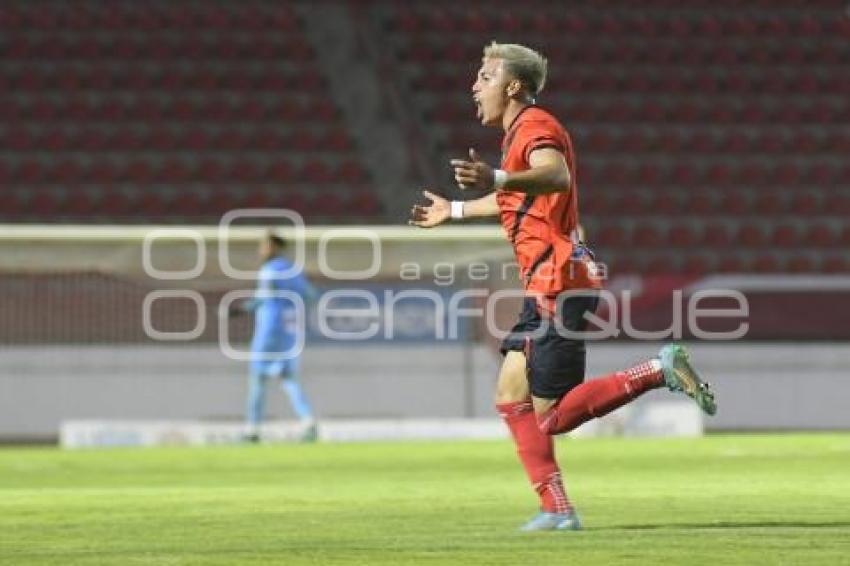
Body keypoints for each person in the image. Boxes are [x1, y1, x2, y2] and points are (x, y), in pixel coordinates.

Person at [410, 42, 716, 531]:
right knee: (511, 395)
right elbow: (515, 197)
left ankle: (658, 371)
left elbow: (556, 175)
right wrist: (459, 209)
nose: (474, 85)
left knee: (550, 416)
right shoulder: (515, 138)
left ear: (513, 86)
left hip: (559, 282)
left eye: (485, 76)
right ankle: (556, 510)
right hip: (548, 282)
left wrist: (496, 174)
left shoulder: (535, 126)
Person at [230, 231, 318, 443]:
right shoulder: (294, 271)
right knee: (288, 379)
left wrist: (242, 309)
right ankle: (308, 422)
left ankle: (253, 430)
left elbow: (263, 297)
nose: (261, 250)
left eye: (264, 246)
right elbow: (310, 296)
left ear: (273, 247)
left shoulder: (269, 270)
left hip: (269, 328)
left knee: (258, 379)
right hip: (290, 330)